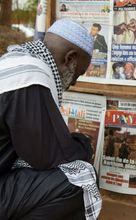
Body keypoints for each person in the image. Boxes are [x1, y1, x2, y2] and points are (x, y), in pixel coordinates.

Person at [0, 19, 102, 219]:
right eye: (78, 75)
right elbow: (47, 158)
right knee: (77, 179)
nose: (73, 83)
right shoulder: (29, 75)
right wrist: (84, 144)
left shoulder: (12, 61)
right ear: (70, 59)